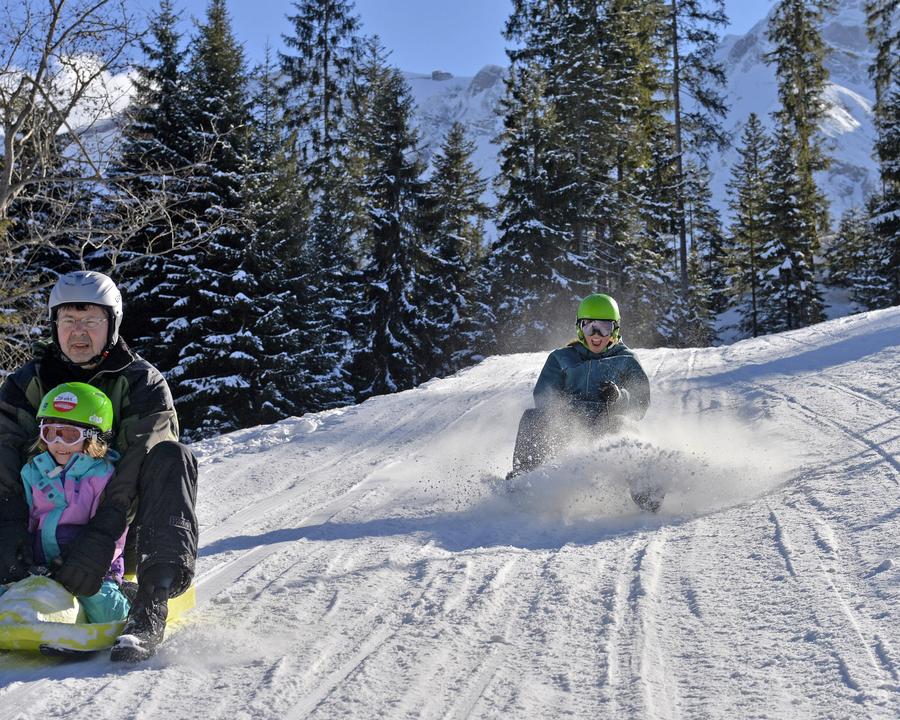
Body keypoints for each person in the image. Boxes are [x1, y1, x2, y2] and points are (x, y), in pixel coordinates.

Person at [0, 271, 198, 662]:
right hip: (34, 527)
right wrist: (8, 522)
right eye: (68, 320)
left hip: (120, 534)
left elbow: (141, 456)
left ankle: (149, 603)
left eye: (90, 320)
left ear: (112, 325)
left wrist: (103, 533)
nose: (78, 332)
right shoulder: (27, 383)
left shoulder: (142, 382)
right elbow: (4, 446)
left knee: (171, 457)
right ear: (54, 325)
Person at [509, 293, 657, 510]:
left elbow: (641, 402)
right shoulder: (561, 358)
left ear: (615, 329)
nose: (596, 335)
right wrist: (565, 406)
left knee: (625, 428)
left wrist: (619, 397)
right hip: (567, 426)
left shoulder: (626, 360)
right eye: (589, 327)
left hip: (606, 425)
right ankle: (523, 481)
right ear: (579, 328)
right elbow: (544, 395)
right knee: (533, 418)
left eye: (604, 328)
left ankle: (646, 489)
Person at [22, 382, 130, 623]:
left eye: (69, 435)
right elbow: (27, 521)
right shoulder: (32, 472)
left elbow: (113, 530)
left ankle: (130, 602)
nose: (58, 442)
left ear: (92, 437)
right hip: (41, 566)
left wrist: (92, 563)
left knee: (103, 611)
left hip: (92, 568)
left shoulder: (102, 475)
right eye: (50, 433)